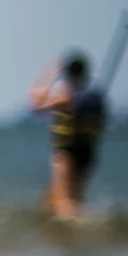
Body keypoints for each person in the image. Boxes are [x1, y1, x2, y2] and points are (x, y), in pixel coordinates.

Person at [31, 51, 109, 222]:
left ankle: (79, 229)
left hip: (66, 153)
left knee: (64, 203)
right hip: (87, 153)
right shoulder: (94, 96)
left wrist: (49, 74)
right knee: (59, 199)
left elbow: (35, 104)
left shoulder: (65, 97)